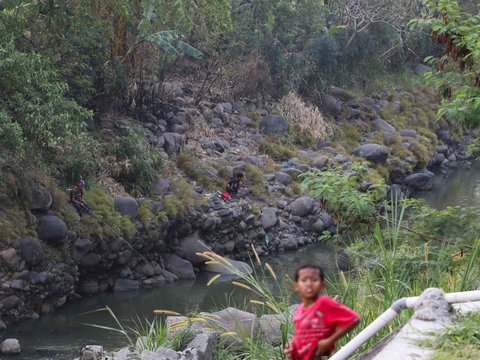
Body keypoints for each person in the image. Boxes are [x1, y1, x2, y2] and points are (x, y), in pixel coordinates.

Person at [284, 264, 360, 360]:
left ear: (322, 285)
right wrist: (291, 350)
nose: (309, 284)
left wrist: (328, 341)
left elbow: (354, 319)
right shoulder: (299, 310)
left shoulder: (324, 303)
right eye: (304, 280)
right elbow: (300, 337)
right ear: (296, 286)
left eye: (314, 280)